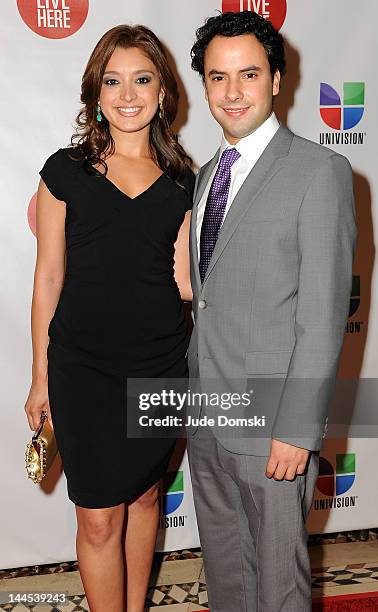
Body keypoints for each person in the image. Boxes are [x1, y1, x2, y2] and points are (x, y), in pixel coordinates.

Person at [186, 11, 356, 612]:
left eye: (248, 74)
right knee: (227, 575)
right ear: (203, 85)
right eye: (217, 77)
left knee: (280, 585)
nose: (232, 92)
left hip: (272, 421)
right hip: (206, 413)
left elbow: (322, 313)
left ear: (277, 79)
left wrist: (297, 428)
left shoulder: (320, 172)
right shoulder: (206, 176)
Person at [24, 24, 194, 612]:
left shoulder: (181, 182)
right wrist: (41, 377)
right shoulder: (63, 171)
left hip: (162, 364)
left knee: (147, 501)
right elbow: (48, 277)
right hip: (84, 369)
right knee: (98, 520)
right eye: (113, 81)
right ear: (95, 93)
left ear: (163, 92)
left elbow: (183, 284)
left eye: (142, 79)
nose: (128, 94)